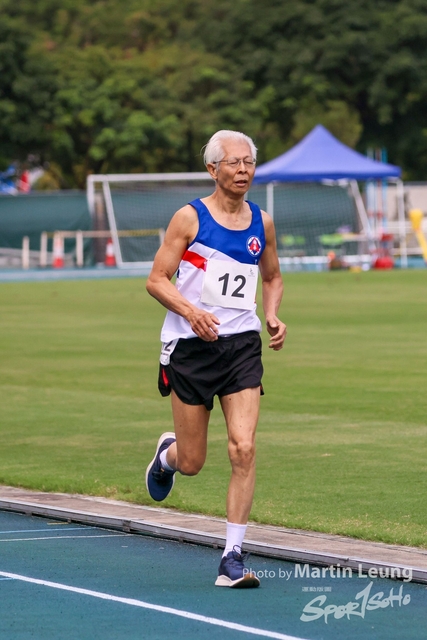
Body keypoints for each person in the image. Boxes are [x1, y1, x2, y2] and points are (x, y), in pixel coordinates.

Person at [145, 129, 287, 588]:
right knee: (192, 462)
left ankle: (232, 557)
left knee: (243, 447)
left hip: (241, 346)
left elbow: (272, 277)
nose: (243, 170)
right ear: (213, 168)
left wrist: (272, 314)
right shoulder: (189, 218)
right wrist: (192, 312)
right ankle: (166, 458)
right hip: (190, 348)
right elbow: (157, 279)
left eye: (249, 162)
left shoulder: (262, 222)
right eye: (234, 162)